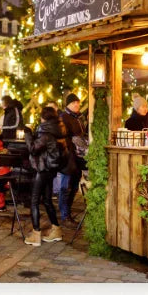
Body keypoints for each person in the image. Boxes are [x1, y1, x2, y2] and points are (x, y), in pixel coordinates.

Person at [25, 105, 65, 246]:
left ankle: (36, 235)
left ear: (43, 118)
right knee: (47, 200)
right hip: (51, 170)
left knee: (34, 201)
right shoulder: (56, 130)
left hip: (42, 170)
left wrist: (28, 133)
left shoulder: (46, 134)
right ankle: (56, 230)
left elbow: (33, 149)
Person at [57, 92, 85, 223]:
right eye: (74, 103)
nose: (76, 105)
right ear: (68, 104)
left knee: (74, 186)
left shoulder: (78, 117)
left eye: (78, 102)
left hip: (77, 157)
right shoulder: (64, 117)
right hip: (68, 157)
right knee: (66, 187)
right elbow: (62, 136)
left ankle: (67, 211)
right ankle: (64, 214)